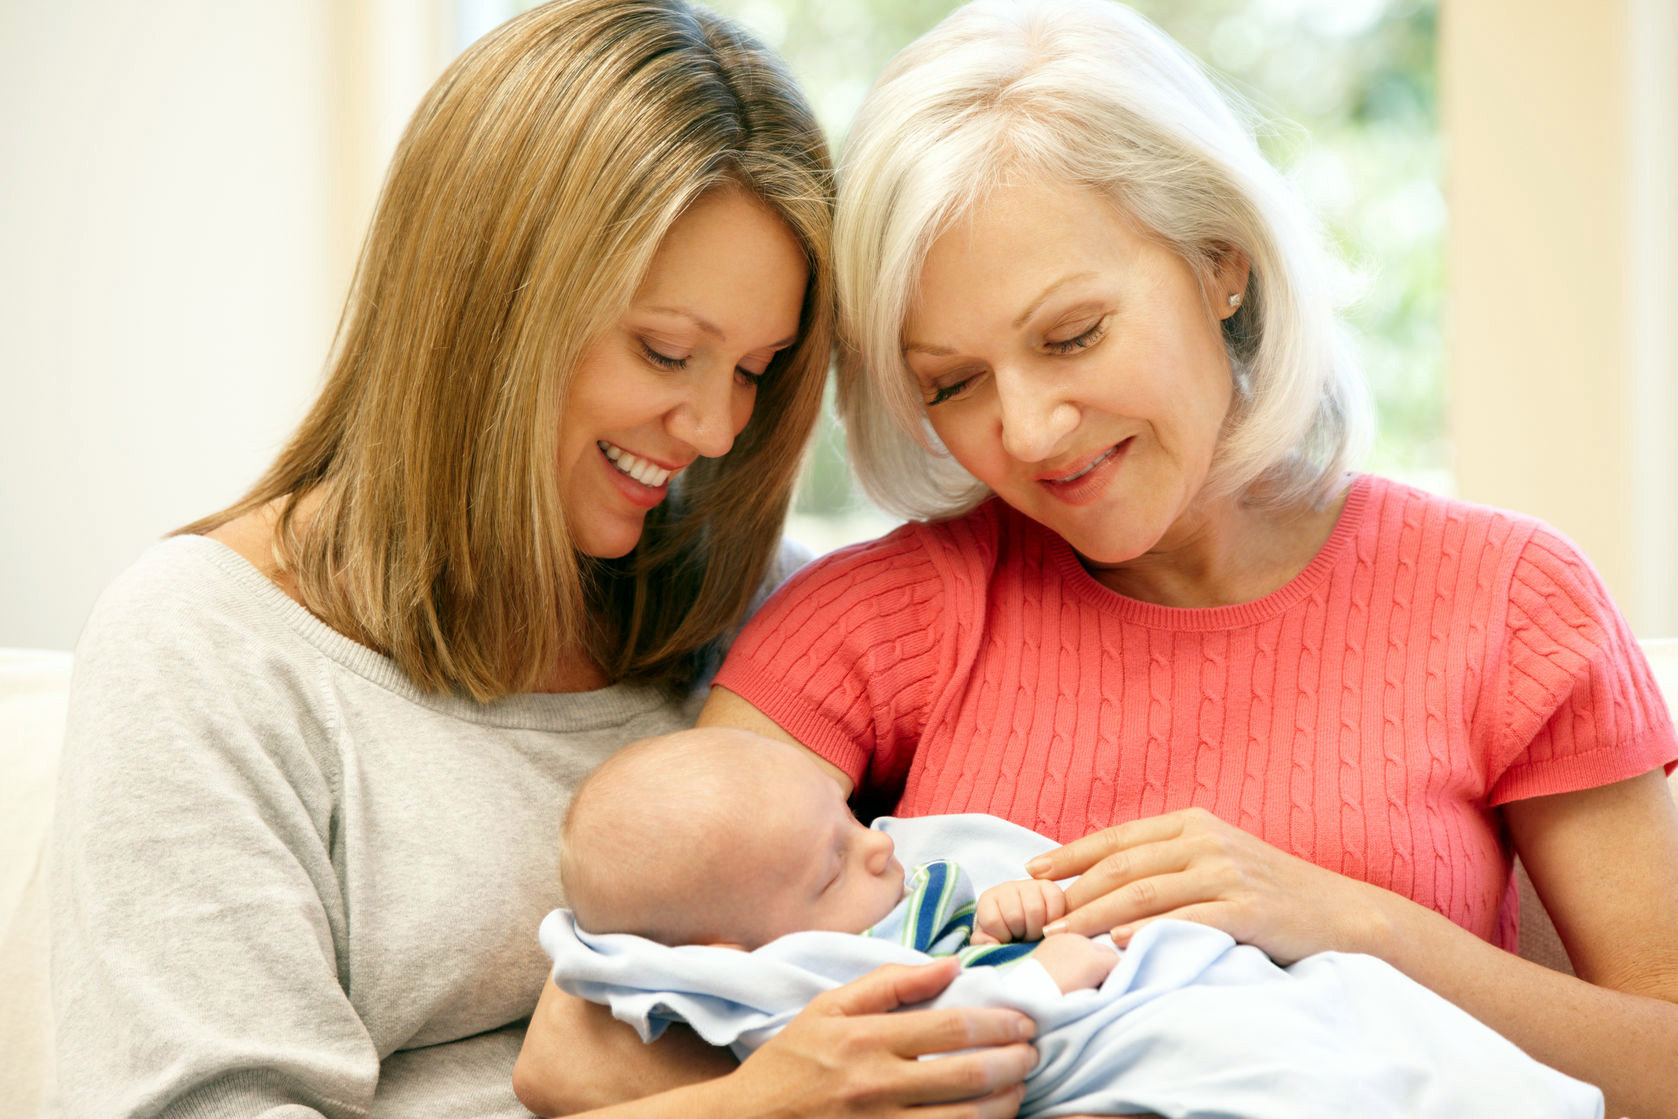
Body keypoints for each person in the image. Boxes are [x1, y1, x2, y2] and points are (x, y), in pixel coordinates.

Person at [517, 1, 1678, 1116]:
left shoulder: (1511, 602)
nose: (1025, 433)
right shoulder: (875, 620)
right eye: (951, 384)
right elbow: (583, 1046)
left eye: (1070, 335)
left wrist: (1351, 924)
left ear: (1221, 262)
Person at [45, 3, 1045, 1117]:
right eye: (666, 350)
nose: (716, 430)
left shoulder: (766, 620)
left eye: (756, 370)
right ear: (490, 307)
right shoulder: (209, 653)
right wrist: (746, 1107)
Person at [543, 727, 1602, 1118]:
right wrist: (1047, 965)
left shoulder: (876, 874)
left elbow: (1000, 887)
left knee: (1361, 1012)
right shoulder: (792, 973)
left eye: (850, 816)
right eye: (834, 862)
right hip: (1114, 1039)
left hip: (1194, 973)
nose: (878, 845)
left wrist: (1025, 904)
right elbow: (959, 1017)